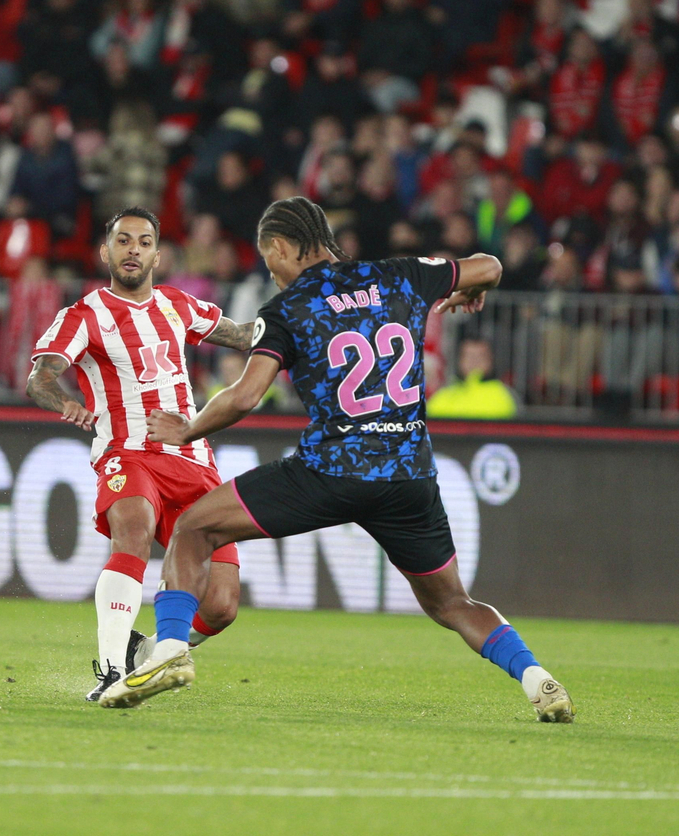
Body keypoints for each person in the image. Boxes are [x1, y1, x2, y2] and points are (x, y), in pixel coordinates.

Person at [102, 197, 573, 721]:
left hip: (329, 472)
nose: (271, 271)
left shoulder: (285, 309)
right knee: (451, 603)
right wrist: (467, 289)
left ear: (280, 248)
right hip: (408, 475)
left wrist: (187, 428)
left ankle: (168, 651)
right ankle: (538, 679)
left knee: (193, 528)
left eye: (268, 259)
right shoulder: (401, 275)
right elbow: (492, 265)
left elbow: (244, 396)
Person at [25, 207, 257, 703]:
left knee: (221, 606)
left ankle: (147, 654)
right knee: (132, 530)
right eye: (124, 241)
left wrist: (298, 322)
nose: (134, 250)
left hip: (193, 459)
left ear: (158, 254)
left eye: (144, 242)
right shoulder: (84, 315)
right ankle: (110, 669)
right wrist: (65, 401)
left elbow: (243, 334)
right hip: (127, 453)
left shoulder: (177, 304)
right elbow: (40, 376)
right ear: (105, 251)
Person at [428, 338, 518, 420]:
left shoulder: (502, 395)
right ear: (459, 360)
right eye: (469, 356)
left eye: (480, 357)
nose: (474, 361)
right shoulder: (445, 394)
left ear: (490, 361)